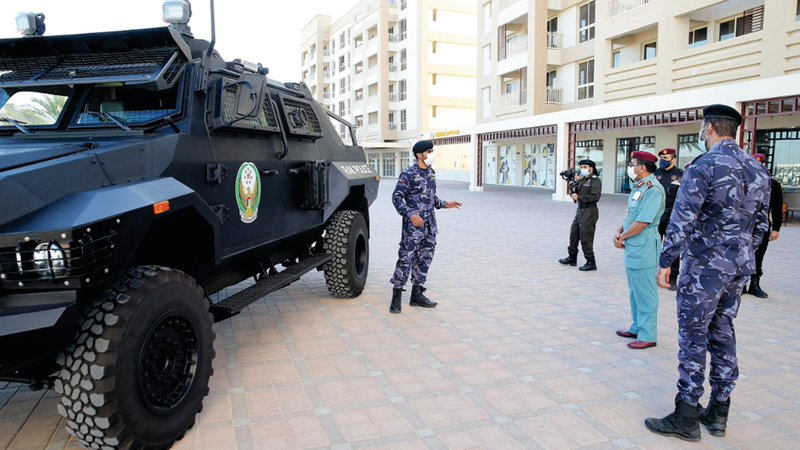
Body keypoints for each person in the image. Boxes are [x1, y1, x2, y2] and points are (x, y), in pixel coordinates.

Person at [645, 104, 771, 442]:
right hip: (737, 269)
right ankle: (718, 411)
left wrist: (666, 261)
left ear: (710, 128)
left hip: (704, 269)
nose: (702, 133)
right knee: (723, 331)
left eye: (703, 128)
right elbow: (761, 226)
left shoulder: (704, 165)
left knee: (692, 335)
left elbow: (682, 218)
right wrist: (743, 261)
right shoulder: (757, 170)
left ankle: (686, 414)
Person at [389, 140, 462, 314]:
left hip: (430, 226)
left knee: (424, 259)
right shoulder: (408, 173)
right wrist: (410, 214)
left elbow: (431, 198)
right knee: (405, 259)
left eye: (432, 151)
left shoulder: (431, 173)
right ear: (419, 154)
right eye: (428, 151)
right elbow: (397, 197)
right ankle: (396, 297)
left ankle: (417, 295)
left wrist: (444, 204)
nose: (431, 154)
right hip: (413, 228)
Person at [614, 151, 665, 350]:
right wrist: (619, 231)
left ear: (642, 167)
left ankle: (648, 334)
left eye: (633, 164)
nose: (631, 168)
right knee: (635, 291)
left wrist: (623, 237)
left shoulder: (653, 190)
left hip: (643, 246)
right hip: (633, 246)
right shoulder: (640, 187)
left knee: (646, 293)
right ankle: (637, 327)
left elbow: (643, 222)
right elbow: (630, 216)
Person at [746, 153, 783, 298]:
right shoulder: (745, 182)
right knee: (742, 254)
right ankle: (740, 285)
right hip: (744, 226)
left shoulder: (772, 184)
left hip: (761, 226)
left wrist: (776, 228)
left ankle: (754, 284)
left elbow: (777, 207)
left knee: (758, 256)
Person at [559, 159, 601, 271]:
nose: (583, 169)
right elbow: (575, 191)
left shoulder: (594, 180)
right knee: (574, 234)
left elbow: (594, 197)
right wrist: (573, 182)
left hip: (589, 211)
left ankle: (590, 261)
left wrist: (580, 198)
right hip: (580, 210)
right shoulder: (583, 179)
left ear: (591, 168)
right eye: (581, 167)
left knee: (586, 237)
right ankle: (572, 257)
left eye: (585, 167)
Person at [654, 148, 683, 291]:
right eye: (662, 158)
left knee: (672, 246)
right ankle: (653, 272)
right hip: (658, 214)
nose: (663, 161)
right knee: (654, 244)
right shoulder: (655, 175)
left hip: (673, 214)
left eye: (666, 158)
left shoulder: (681, 176)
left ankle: (673, 278)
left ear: (674, 159)